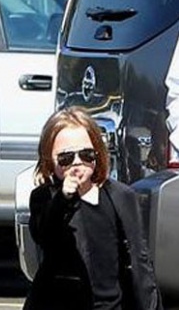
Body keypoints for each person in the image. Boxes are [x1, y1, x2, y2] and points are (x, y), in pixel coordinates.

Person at [24, 107, 163, 310]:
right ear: (49, 162)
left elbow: (140, 260)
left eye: (86, 155)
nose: (77, 163)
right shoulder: (46, 199)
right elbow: (45, 233)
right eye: (66, 158)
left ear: (97, 154)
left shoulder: (121, 195)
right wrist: (64, 198)